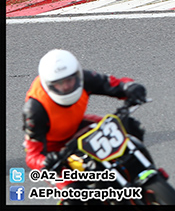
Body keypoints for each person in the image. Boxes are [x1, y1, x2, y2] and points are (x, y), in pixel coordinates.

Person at [22, 49, 147, 195]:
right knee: (74, 194)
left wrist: (130, 87)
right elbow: (32, 155)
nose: (67, 86)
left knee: (129, 127)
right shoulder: (35, 109)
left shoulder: (83, 78)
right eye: (59, 84)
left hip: (77, 128)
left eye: (69, 80)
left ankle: (149, 175)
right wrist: (45, 162)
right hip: (54, 150)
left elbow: (114, 84)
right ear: (48, 85)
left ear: (77, 75)